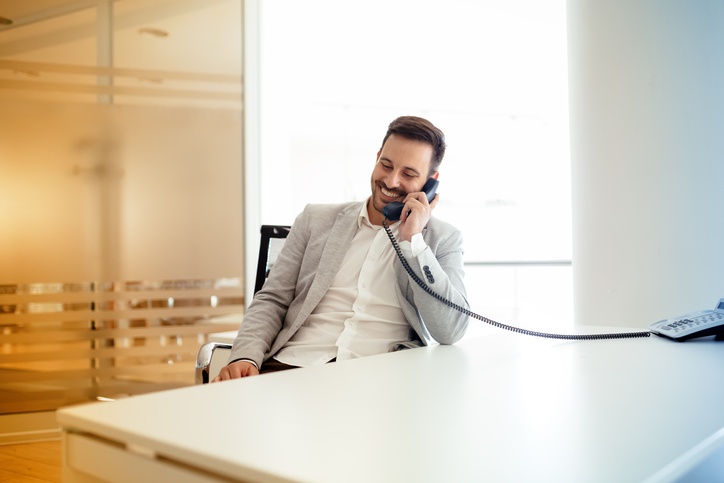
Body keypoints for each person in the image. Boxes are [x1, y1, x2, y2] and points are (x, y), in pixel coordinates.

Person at [214, 115, 469, 380]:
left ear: (431, 181)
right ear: (377, 156)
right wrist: (245, 356)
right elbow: (273, 300)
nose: (391, 181)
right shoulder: (315, 219)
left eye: (408, 174)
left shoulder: (442, 239)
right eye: (386, 165)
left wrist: (413, 242)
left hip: (380, 380)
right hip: (291, 368)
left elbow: (450, 330)